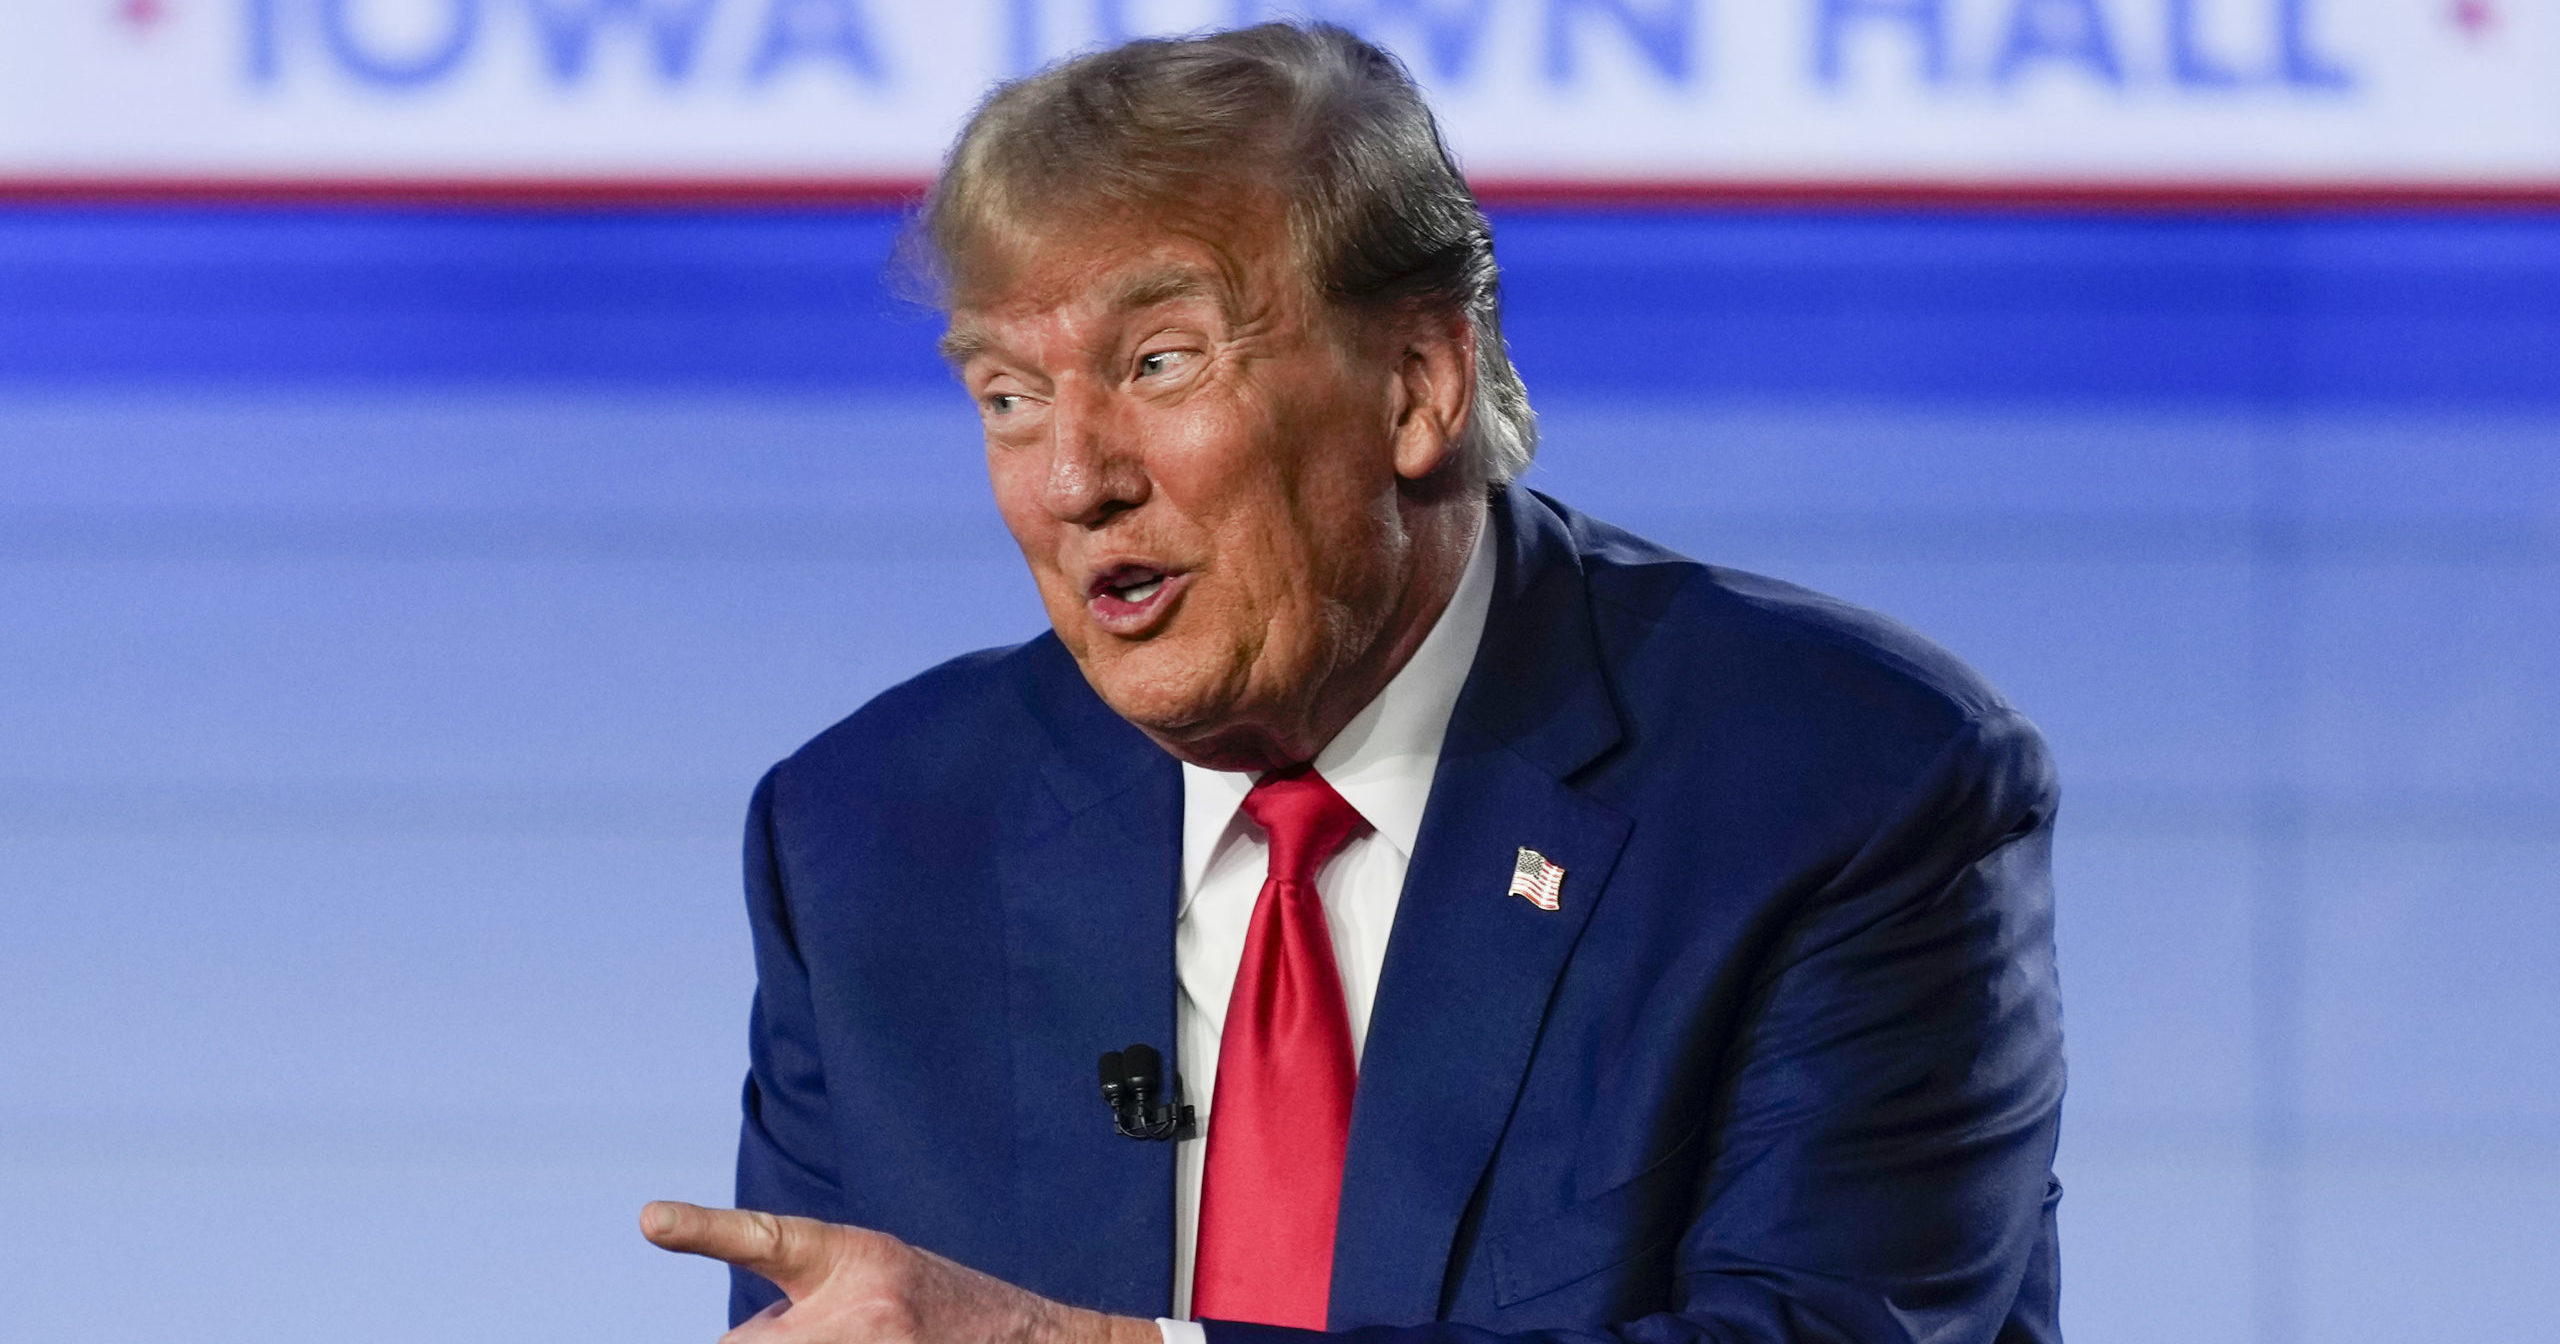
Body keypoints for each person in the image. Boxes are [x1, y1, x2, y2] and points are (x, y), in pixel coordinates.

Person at [641, 21, 2064, 1344]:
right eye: (1008, 398)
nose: (1073, 481)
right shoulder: (872, 838)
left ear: (1418, 386)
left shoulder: (1840, 789)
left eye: (1159, 362)